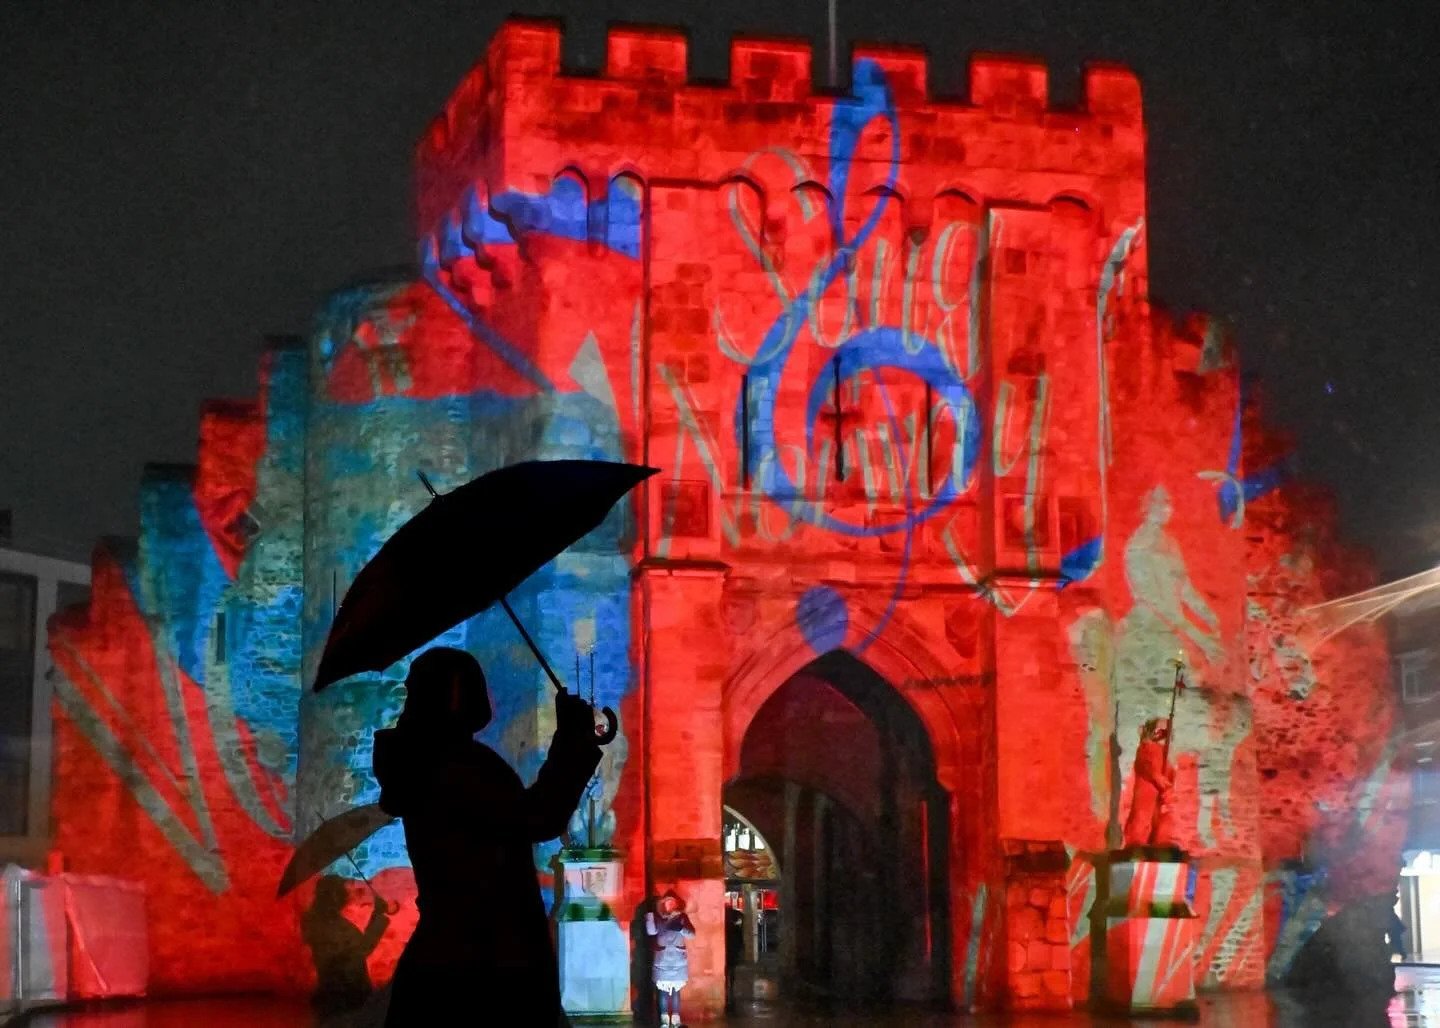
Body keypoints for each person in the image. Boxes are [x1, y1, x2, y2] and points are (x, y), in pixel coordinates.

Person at [373, 647, 602, 1027]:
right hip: (482, 966)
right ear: (456, 694)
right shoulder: (453, 765)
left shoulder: (429, 762)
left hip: (454, 956)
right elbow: (536, 818)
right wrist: (571, 742)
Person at [301, 874, 390, 1015]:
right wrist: (378, 916)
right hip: (347, 996)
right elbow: (361, 948)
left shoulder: (313, 920)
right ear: (335, 896)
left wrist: (376, 915)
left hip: (330, 994)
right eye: (343, 891)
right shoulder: (333, 926)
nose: (348, 895)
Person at [1123, 718, 1176, 849]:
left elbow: (1169, 774)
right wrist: (1167, 789)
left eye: (1166, 732)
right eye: (1160, 731)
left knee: (1158, 827)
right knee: (1140, 825)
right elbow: (1151, 770)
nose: (1162, 735)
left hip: (1156, 804)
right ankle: (1135, 848)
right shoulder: (1147, 748)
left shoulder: (1163, 753)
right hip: (1145, 801)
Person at [646, 891, 695, 1027]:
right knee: (662, 990)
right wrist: (649, 917)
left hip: (677, 959)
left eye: (672, 902)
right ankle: (664, 1019)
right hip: (662, 959)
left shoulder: (682, 917)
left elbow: (691, 934)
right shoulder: (657, 917)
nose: (670, 904)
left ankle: (675, 1018)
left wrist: (681, 928)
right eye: (667, 902)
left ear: (676, 904)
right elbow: (651, 932)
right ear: (663, 904)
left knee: (675, 991)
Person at [724, 902, 744, 1011]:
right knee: (731, 970)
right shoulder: (736, 929)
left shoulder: (725, 929)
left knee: (728, 970)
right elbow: (740, 942)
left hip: (729, 951)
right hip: (732, 952)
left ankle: (728, 987)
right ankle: (730, 987)